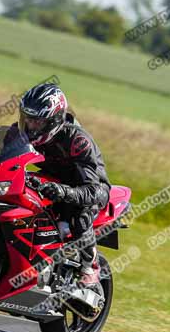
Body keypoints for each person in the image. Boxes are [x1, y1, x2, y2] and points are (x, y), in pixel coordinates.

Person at [16, 83, 112, 311]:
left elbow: (91, 188)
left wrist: (64, 192)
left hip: (91, 189)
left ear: (54, 119)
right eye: (27, 119)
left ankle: (90, 268)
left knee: (78, 215)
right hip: (52, 181)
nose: (31, 125)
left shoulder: (77, 141)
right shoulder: (22, 134)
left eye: (37, 121)